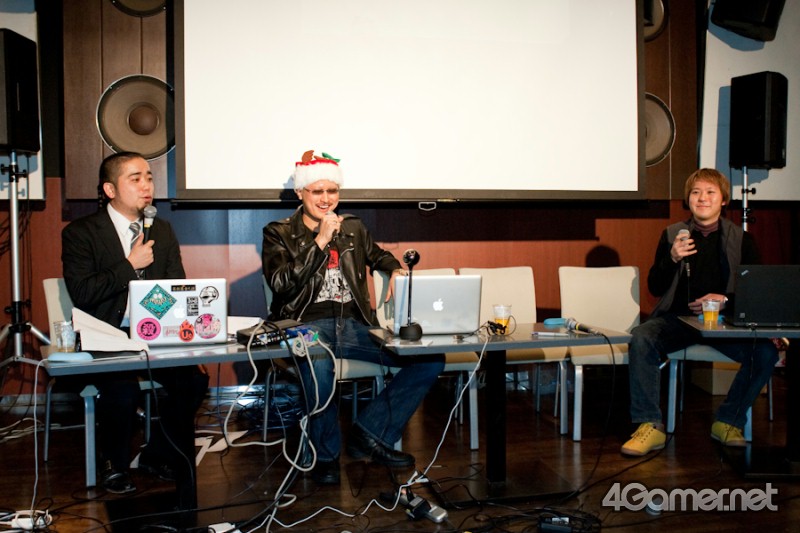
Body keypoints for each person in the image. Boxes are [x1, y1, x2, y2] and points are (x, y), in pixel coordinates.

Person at [262, 150, 445, 485]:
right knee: (319, 364)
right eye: (317, 191)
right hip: (304, 324)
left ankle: (370, 434)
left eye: (332, 191)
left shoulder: (353, 228)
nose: (326, 199)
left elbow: (378, 255)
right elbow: (281, 284)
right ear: (300, 192)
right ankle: (325, 455)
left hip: (353, 324)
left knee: (429, 358)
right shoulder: (279, 233)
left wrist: (395, 270)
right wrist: (320, 241)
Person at [61, 152, 208, 497]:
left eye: (149, 178)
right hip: (104, 335)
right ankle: (114, 464)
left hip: (153, 334)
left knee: (193, 379)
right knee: (122, 388)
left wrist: (162, 325)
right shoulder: (81, 233)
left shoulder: (162, 230)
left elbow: (175, 286)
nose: (146, 186)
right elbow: (83, 293)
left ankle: (157, 454)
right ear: (110, 189)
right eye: (135, 178)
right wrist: (130, 265)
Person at [622, 168, 778, 456]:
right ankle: (650, 424)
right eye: (696, 192)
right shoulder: (672, 235)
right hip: (678, 320)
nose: (702, 198)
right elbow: (655, 286)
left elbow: (754, 292)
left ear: (723, 200)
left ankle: (728, 421)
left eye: (710, 192)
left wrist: (724, 300)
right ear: (688, 199)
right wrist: (671, 258)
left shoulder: (741, 239)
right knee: (642, 336)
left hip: (723, 323)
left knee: (766, 352)